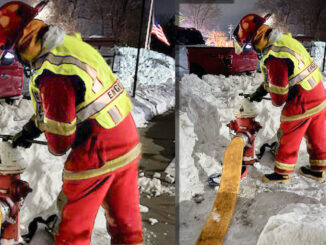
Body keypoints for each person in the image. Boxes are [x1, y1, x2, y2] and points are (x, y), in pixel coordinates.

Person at [0, 1, 143, 244]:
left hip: (96, 150)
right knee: (125, 219)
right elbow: (78, 101)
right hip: (126, 139)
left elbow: (60, 141)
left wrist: (54, 136)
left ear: (22, 43)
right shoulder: (70, 45)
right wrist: (32, 128)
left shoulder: (53, 73)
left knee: (73, 225)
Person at [233, 13, 326, 183]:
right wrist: (261, 91)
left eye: (251, 44)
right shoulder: (284, 40)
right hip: (318, 92)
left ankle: (281, 173)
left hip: (301, 99)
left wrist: (276, 94)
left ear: (256, 39)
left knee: (288, 133)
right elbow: (287, 74)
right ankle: (318, 169)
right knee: (316, 133)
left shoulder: (274, 57)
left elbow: (279, 97)